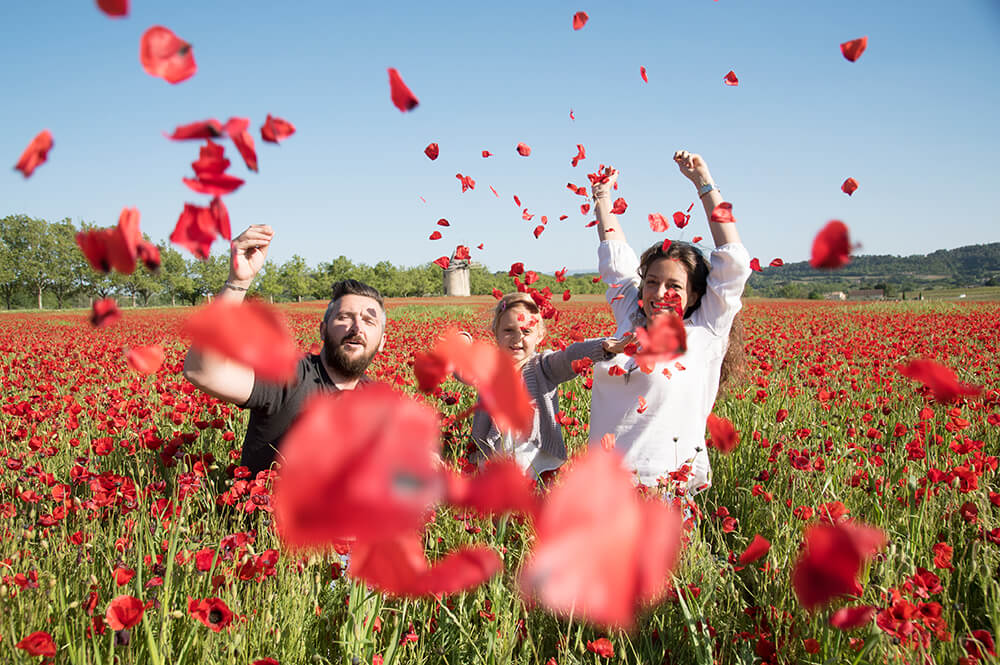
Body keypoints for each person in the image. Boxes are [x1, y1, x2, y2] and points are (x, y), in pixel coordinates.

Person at [588, 150, 752, 496]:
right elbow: (615, 259)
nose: (660, 293)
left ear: (693, 296)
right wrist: (603, 199)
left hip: (666, 493)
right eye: (651, 282)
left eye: (674, 286)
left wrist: (703, 182)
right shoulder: (630, 317)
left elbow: (734, 261)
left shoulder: (706, 330)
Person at [182, 225, 387, 476]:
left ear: (382, 341)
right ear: (322, 330)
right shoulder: (289, 376)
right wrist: (238, 282)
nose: (357, 327)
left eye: (369, 320)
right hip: (266, 514)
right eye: (344, 317)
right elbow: (202, 372)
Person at [465, 292, 633, 480]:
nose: (517, 338)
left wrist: (601, 347)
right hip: (494, 454)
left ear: (540, 336)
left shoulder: (544, 366)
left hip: (533, 455)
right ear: (495, 332)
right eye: (508, 330)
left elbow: (569, 356)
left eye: (526, 331)